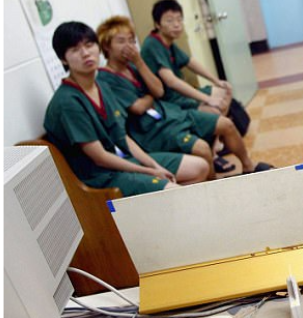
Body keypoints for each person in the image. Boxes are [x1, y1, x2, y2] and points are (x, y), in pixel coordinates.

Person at [44, 21, 209, 197]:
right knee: (175, 192)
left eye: (89, 45)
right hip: (99, 176)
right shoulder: (68, 102)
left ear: (98, 47)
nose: (85, 53)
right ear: (63, 59)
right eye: (75, 50)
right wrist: (148, 172)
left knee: (200, 167)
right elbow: (100, 157)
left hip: (122, 159)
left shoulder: (100, 85)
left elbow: (123, 136)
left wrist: (154, 166)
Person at [96, 16, 270, 177]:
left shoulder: (134, 67)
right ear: (106, 46)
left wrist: (140, 64)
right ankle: (215, 185)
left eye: (131, 41)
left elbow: (158, 91)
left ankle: (248, 167)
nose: (129, 46)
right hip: (152, 131)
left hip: (171, 114)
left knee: (226, 124)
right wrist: (151, 95)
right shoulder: (106, 78)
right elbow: (139, 107)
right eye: (121, 41)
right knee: (202, 149)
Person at [140, 0, 231, 115]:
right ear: (157, 24)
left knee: (225, 91)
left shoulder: (167, 42)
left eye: (179, 19)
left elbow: (189, 62)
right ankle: (218, 126)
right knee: (214, 111)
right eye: (169, 21)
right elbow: (171, 82)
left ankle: (219, 127)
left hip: (180, 96)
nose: (177, 25)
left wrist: (216, 80)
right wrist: (207, 99)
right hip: (169, 102)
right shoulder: (152, 45)